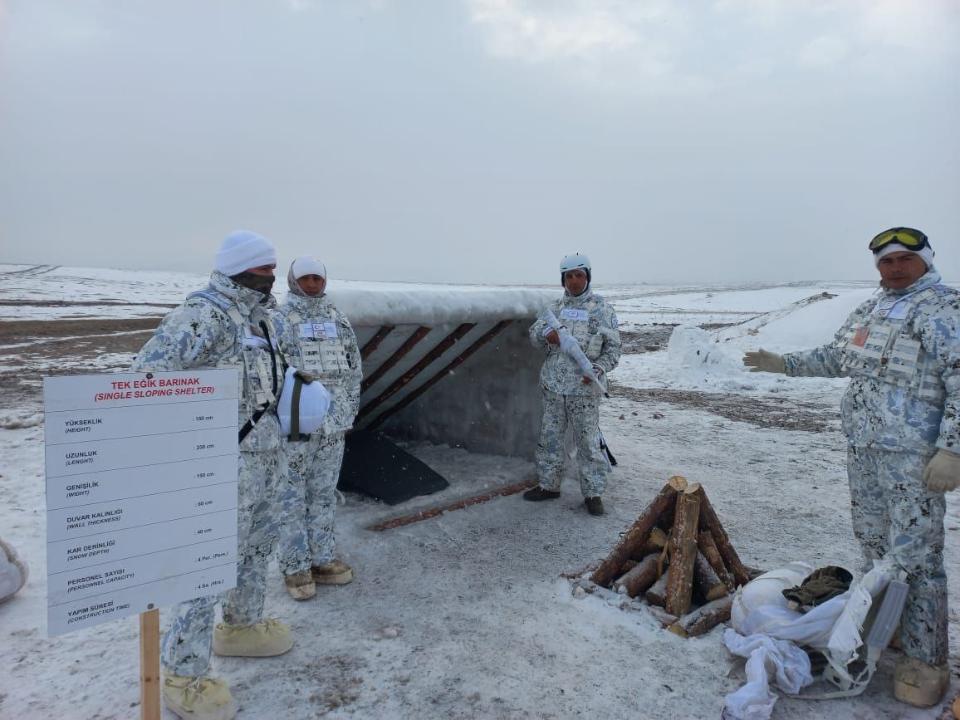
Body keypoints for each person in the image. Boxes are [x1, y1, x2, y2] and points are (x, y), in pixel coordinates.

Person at [743, 227, 960, 708]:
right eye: (886, 261)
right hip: (863, 449)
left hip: (913, 457)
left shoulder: (946, 309)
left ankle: (925, 660)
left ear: (925, 260)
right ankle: (886, 628)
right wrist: (784, 363)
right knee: (874, 547)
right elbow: (838, 356)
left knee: (917, 556)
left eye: (904, 259)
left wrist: (953, 448)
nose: (895, 268)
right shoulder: (872, 309)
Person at [132, 230, 293, 720]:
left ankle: (241, 625)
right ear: (239, 268)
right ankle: (183, 674)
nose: (270, 276)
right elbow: (146, 378)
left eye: (273, 268)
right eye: (263, 268)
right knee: (205, 566)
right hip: (217, 464)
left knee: (256, 549)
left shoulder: (264, 318)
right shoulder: (203, 315)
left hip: (266, 458)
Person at [274, 257, 362, 600]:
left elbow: (353, 369)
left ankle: (322, 559)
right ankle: (295, 566)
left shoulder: (337, 319)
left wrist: (347, 413)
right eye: (305, 278)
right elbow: (273, 372)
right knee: (291, 496)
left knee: (324, 493)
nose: (312, 284)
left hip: (333, 426)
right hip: (295, 426)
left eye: (317, 278)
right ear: (293, 281)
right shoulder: (279, 319)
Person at [524, 253, 621, 516]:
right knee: (550, 438)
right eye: (569, 276)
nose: (574, 281)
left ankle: (593, 493)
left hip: (584, 390)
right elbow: (534, 335)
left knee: (588, 442)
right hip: (554, 386)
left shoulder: (602, 309)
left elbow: (614, 349)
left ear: (587, 276)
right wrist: (548, 334)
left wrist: (598, 369)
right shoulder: (555, 308)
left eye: (579, 275)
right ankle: (548, 485)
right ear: (563, 279)